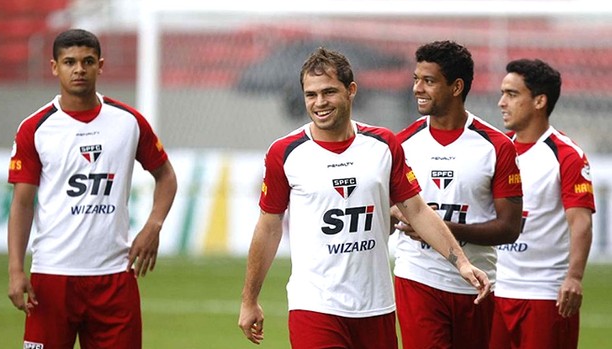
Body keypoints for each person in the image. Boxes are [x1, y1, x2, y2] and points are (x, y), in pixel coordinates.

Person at [237, 47, 491, 349]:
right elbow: (269, 227)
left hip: (377, 308)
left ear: (351, 91)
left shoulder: (383, 145)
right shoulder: (285, 153)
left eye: (329, 92)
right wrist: (249, 300)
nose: (319, 103)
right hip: (315, 306)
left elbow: (418, 212)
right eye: (311, 94)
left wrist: (461, 263)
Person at [7, 28, 177, 349]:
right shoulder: (35, 128)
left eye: (87, 61)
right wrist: (16, 270)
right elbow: (22, 203)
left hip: (114, 275)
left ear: (100, 65)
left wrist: (153, 225)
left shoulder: (128, 121)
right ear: (55, 67)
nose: (79, 69)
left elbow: (165, 176)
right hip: (52, 275)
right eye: (69, 62)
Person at [391, 40, 523, 349]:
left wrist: (439, 230)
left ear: (456, 86)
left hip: (476, 284)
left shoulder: (497, 146)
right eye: (415, 79)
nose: (417, 88)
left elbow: (509, 228)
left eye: (429, 81)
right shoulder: (401, 144)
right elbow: (386, 207)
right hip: (417, 277)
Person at [490, 59, 595, 349]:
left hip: (546, 294)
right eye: (502, 93)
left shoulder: (566, 155)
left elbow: (581, 221)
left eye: (512, 94)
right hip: (497, 289)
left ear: (539, 101)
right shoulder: (495, 151)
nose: (501, 102)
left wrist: (574, 277)